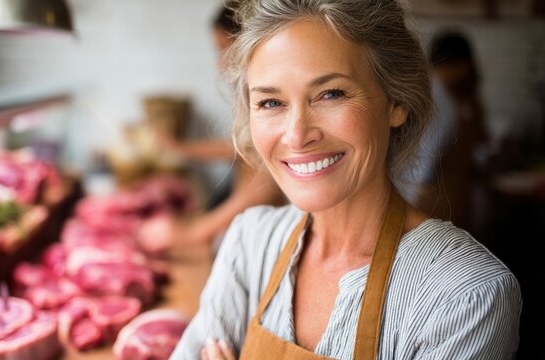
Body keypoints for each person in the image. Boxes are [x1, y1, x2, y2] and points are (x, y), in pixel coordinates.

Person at [170, 1, 521, 359]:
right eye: (271, 102)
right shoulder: (249, 243)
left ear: (396, 102)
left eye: (331, 94)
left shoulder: (465, 295)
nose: (296, 135)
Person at [137, 7, 284, 252]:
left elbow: (265, 187)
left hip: (263, 237)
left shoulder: (271, 97)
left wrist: (192, 232)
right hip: (250, 230)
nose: (221, 63)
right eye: (218, 51)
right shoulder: (253, 98)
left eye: (226, 49)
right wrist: (180, 148)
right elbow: (241, 146)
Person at [412, 31, 488, 232]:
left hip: (448, 200)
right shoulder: (441, 102)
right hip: (435, 202)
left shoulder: (452, 97)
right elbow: (425, 168)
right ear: (461, 65)